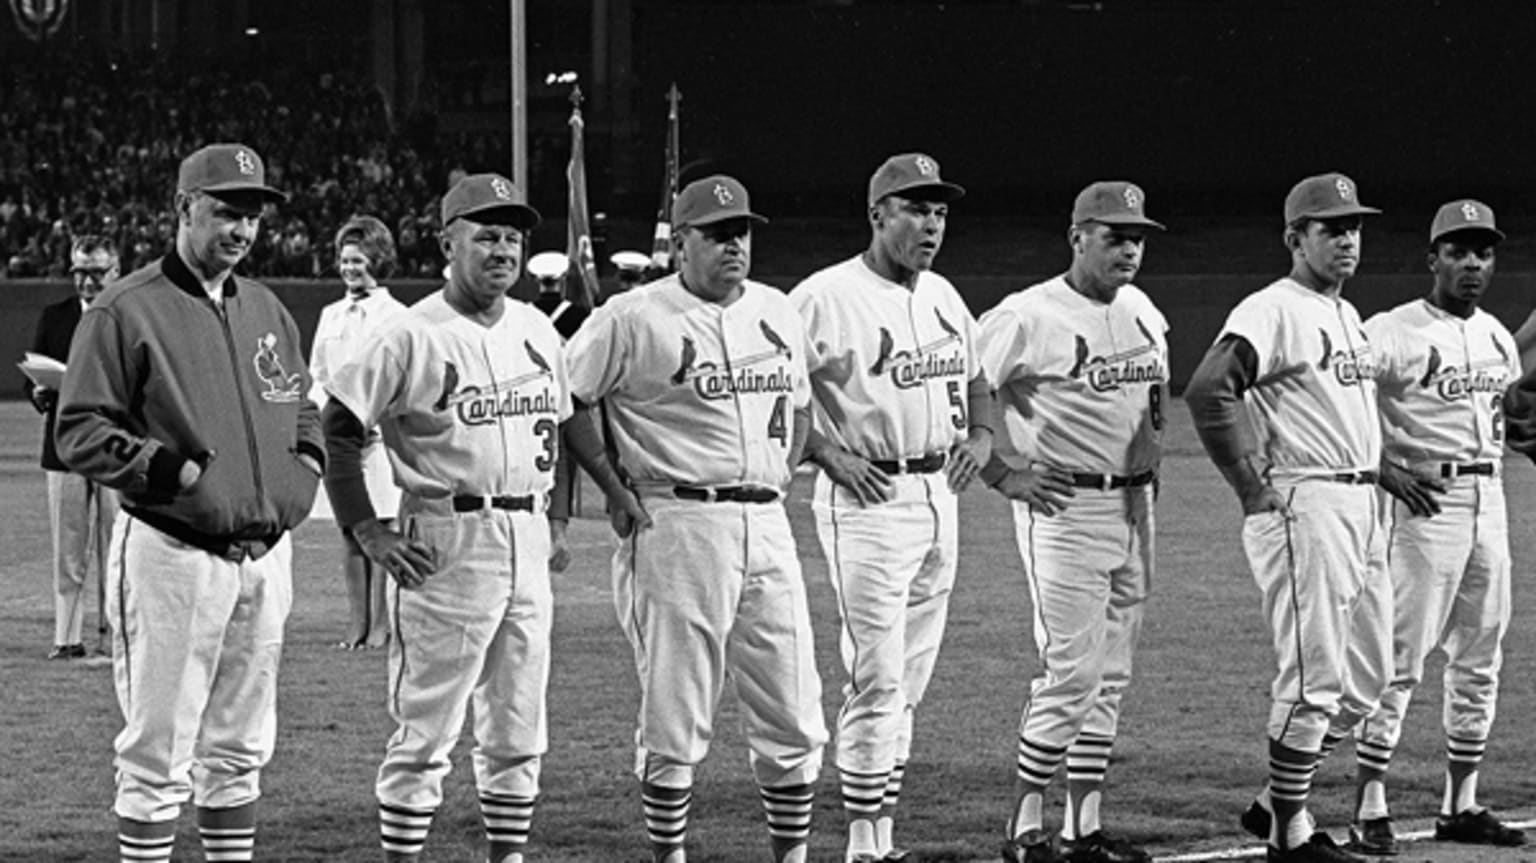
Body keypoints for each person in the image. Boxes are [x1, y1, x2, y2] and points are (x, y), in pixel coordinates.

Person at [320, 173, 643, 863]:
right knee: (427, 727)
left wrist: (588, 499)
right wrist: (366, 526)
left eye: (513, 236)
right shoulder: (412, 333)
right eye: (486, 234)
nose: (503, 249)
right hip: (447, 533)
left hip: (524, 535)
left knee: (519, 724)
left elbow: (565, 419)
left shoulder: (534, 326)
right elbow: (340, 421)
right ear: (447, 242)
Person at [54, 143, 320, 863]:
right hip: (172, 553)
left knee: (239, 747)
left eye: (253, 216)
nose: (242, 230)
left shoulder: (266, 306)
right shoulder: (123, 308)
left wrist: (307, 471)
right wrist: (163, 468)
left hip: (265, 556)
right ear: (183, 209)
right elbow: (78, 427)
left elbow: (300, 406)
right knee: (158, 751)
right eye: (227, 212)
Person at [564, 174, 828, 863]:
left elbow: (799, 401)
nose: (734, 244)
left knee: (796, 706)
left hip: (767, 521)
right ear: (680, 243)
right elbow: (570, 397)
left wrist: (783, 469)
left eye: (741, 231)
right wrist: (614, 490)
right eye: (716, 233)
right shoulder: (633, 315)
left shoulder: (775, 309)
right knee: (676, 708)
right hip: (677, 519)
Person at [789, 152, 992, 863]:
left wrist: (986, 434)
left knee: (909, 677)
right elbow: (775, 394)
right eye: (914, 208)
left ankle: (884, 834)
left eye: (939, 210)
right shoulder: (824, 295)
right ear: (877, 214)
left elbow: (978, 376)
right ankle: (863, 845)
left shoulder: (942, 294)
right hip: (866, 499)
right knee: (876, 674)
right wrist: (825, 451)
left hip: (939, 494)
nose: (931, 223)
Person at [1185, 172, 1392, 863]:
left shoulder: (1347, 313)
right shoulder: (1272, 308)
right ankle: (1290, 834)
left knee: (1368, 680)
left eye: (1354, 227)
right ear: (1294, 238)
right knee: (1314, 679)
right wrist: (1248, 485)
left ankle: (1274, 802)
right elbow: (1211, 386)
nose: (1347, 240)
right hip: (1307, 502)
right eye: (1331, 228)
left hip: (1359, 503)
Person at [978, 182, 1167, 863]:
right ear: (1077, 234)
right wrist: (1006, 473)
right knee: (1071, 673)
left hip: (1134, 507)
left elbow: (1150, 401)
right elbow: (959, 388)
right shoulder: (1028, 314)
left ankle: (1082, 828)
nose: (1130, 248)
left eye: (1137, 236)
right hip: (1065, 509)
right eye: (1115, 235)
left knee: (1110, 674)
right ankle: (1025, 827)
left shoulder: (1142, 308)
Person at [1345, 200, 1525, 853]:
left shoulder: (1500, 335)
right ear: (1433, 259)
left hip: (1490, 500)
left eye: (1483, 251)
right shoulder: (1390, 330)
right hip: (1425, 505)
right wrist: (1379, 465)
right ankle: (1370, 805)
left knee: (1481, 656)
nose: (1473, 263)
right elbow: (1337, 397)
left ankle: (1461, 803)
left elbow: (1510, 417)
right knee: (1400, 658)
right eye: (1458, 250)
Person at [309, 215, 407, 650]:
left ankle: (382, 625)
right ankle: (356, 624)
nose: (350, 269)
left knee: (382, 527)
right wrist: (329, 418)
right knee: (349, 529)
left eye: (359, 261)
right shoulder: (330, 315)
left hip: (381, 440)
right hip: (340, 438)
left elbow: (398, 377)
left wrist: (371, 422)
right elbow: (318, 374)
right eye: (345, 261)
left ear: (379, 261)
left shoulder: (397, 316)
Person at [29, 233, 122, 661]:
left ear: (115, 270)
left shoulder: (126, 315)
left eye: (96, 273)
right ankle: (67, 637)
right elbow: (37, 375)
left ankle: (117, 634)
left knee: (116, 546)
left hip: (112, 444)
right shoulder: (55, 316)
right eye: (80, 272)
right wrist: (41, 395)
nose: (86, 282)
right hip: (63, 445)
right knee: (67, 548)